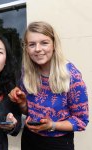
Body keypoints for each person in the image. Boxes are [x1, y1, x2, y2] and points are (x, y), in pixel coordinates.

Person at [9, 21, 89, 150]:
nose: (38, 49)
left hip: (58, 143)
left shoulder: (72, 76)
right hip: (29, 139)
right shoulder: (27, 73)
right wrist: (22, 103)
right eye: (32, 44)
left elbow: (81, 121)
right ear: (26, 48)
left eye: (44, 43)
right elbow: (29, 111)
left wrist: (51, 125)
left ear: (54, 45)